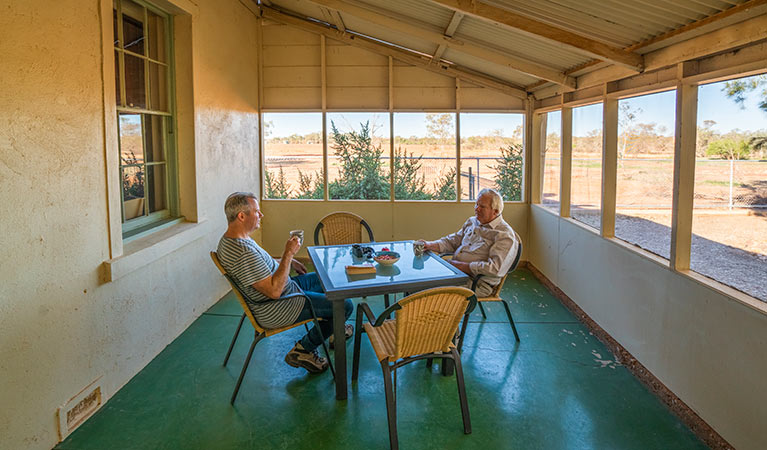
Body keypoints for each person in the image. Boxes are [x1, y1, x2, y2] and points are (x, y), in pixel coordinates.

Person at [216, 192, 353, 374]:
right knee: (344, 306)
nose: (261, 215)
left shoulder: (234, 240)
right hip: (278, 306)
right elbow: (274, 292)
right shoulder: (241, 252)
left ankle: (335, 324)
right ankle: (303, 349)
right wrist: (289, 254)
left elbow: (261, 264)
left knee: (329, 278)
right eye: (257, 211)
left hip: (286, 290)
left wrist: (286, 261)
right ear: (242, 216)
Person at [420, 188, 518, 297]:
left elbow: (495, 268)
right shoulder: (473, 222)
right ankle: (413, 312)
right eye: (476, 204)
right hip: (456, 273)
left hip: (476, 283)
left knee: (426, 289)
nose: (477, 209)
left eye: (482, 207)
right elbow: (453, 241)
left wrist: (461, 266)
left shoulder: (504, 234)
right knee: (420, 279)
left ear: (495, 211)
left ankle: (426, 312)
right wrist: (429, 245)